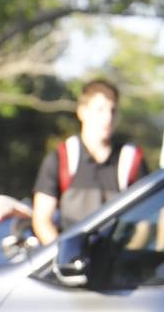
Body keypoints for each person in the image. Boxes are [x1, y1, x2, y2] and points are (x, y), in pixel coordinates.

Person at [27, 79, 148, 246]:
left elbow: (144, 223)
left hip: (117, 264)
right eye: (100, 109)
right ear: (82, 112)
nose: (108, 117)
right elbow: (41, 220)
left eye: (113, 110)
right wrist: (63, 258)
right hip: (71, 263)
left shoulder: (131, 159)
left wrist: (126, 258)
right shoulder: (61, 158)